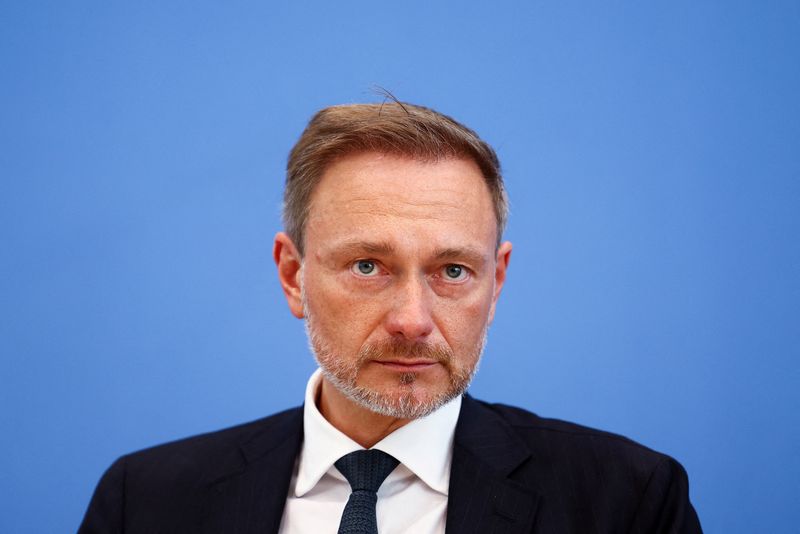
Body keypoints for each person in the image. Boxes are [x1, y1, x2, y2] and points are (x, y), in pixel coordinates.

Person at [79, 101, 702, 533]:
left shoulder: (630, 499)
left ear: (497, 279)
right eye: (368, 266)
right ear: (293, 275)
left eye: (453, 271)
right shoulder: (147, 500)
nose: (412, 320)